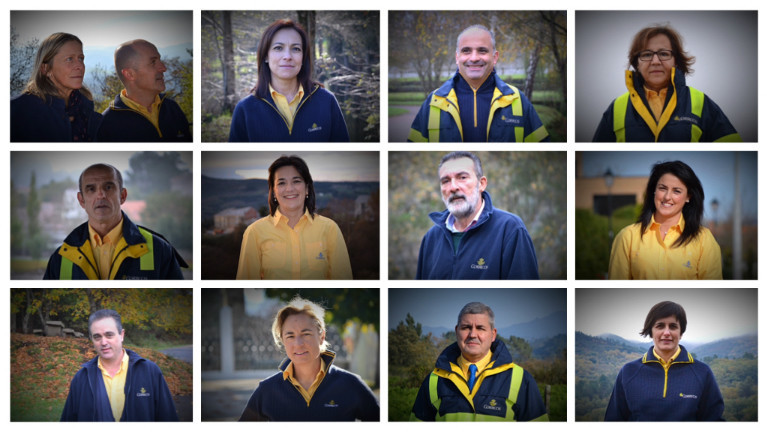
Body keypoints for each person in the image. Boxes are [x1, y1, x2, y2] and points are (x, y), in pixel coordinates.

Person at [593, 24, 741, 142]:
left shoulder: (702, 103)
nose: (655, 61)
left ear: (676, 61)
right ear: (636, 63)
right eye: (647, 54)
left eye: (664, 54)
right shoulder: (617, 107)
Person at [239, 297, 379, 421]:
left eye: (306, 334)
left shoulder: (351, 384)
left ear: (322, 336)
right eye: (290, 336)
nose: (298, 344)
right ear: (282, 340)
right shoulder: (267, 390)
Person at [43, 163, 188, 279]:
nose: (101, 195)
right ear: (81, 200)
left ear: (122, 195)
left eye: (108, 187)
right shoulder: (61, 258)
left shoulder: (159, 250)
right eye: (91, 189)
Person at [408, 25, 549, 142]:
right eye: (466, 51)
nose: (474, 58)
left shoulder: (517, 99)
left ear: (495, 57)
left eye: (482, 50)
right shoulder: (434, 101)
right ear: (457, 57)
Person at [411, 302, 548, 421]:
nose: (472, 334)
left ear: (493, 334)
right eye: (466, 328)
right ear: (456, 331)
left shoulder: (521, 380)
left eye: (480, 328)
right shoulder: (434, 380)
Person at [416, 152, 539, 279]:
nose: (453, 187)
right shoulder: (431, 238)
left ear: (481, 184)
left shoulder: (510, 229)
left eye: (462, 177)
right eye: (445, 181)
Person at [229, 19, 349, 142]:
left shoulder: (326, 101)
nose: (287, 56)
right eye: (278, 48)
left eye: (296, 49)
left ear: (303, 58)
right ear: (266, 56)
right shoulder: (245, 109)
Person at [236, 155, 353, 279]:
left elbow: (344, 284)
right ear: (274, 191)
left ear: (307, 188)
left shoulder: (330, 229)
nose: (289, 189)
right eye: (281, 183)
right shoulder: (254, 232)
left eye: (296, 181)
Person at [605, 301, 724, 421]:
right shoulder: (629, 372)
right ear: (651, 332)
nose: (666, 333)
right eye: (660, 326)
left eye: (673, 326)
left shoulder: (702, 372)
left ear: (681, 332)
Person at [608, 160, 722, 279]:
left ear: (688, 197)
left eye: (676, 191)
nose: (667, 197)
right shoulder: (627, 237)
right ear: (654, 191)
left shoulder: (704, 240)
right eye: (662, 188)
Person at [61, 309, 178, 421]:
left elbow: (167, 418)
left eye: (109, 335)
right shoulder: (81, 378)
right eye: (97, 337)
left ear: (121, 335)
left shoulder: (149, 371)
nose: (103, 342)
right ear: (91, 339)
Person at [11, 32, 102, 142]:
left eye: (81, 58)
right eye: (69, 59)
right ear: (46, 68)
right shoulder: (17, 113)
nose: (79, 66)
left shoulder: (90, 114)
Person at [97, 39, 191, 142]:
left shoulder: (172, 108)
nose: (163, 68)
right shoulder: (107, 125)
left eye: (160, 60)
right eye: (153, 62)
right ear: (130, 74)